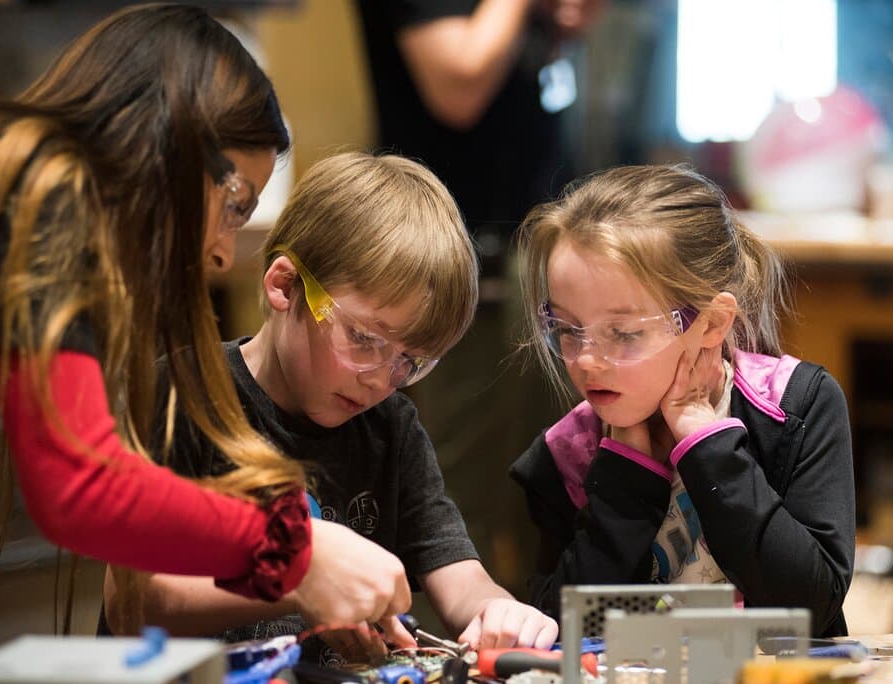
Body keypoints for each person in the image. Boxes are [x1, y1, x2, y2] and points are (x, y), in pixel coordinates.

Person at [0, 3, 409, 632]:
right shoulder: (46, 195)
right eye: (234, 202)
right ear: (170, 143)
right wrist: (297, 548)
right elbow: (82, 487)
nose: (220, 252)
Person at [102, 152, 559, 662]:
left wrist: (499, 611)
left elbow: (460, 577)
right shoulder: (185, 393)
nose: (381, 380)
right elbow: (133, 602)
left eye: (410, 361)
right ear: (284, 286)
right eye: (363, 338)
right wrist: (294, 576)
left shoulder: (391, 430)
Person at [509, 164, 855, 638]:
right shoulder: (569, 449)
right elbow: (562, 629)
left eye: (624, 333)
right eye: (568, 330)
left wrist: (705, 442)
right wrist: (626, 479)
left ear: (712, 323)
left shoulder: (796, 406)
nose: (586, 361)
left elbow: (810, 606)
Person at [354, 0, 604, 600]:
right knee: (459, 499)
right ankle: (459, 651)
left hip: (534, 235)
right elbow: (458, 83)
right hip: (463, 248)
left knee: (555, 480)